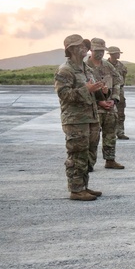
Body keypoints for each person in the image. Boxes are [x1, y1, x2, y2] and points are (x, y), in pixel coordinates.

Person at [55, 34, 105, 200]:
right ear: (71, 49)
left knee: (88, 154)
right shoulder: (65, 70)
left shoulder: (86, 69)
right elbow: (64, 95)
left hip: (90, 118)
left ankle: (84, 186)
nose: (85, 48)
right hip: (75, 120)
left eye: (85, 46)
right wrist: (87, 90)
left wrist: (102, 93)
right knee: (77, 154)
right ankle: (76, 190)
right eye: (80, 46)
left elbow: (93, 91)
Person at [85, 37, 124, 169]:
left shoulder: (108, 66)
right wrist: (99, 101)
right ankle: (89, 163)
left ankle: (110, 160)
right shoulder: (85, 67)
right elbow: (83, 88)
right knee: (92, 138)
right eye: (97, 50)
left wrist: (114, 98)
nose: (100, 53)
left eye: (102, 50)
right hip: (93, 108)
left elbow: (118, 81)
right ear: (91, 50)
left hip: (109, 107)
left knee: (110, 134)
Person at [106, 45, 129, 139]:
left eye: (119, 53)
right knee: (106, 113)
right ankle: (107, 132)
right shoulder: (104, 65)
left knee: (120, 112)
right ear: (112, 54)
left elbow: (123, 80)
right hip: (106, 91)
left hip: (119, 91)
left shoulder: (122, 66)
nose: (118, 55)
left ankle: (120, 132)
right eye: (117, 53)